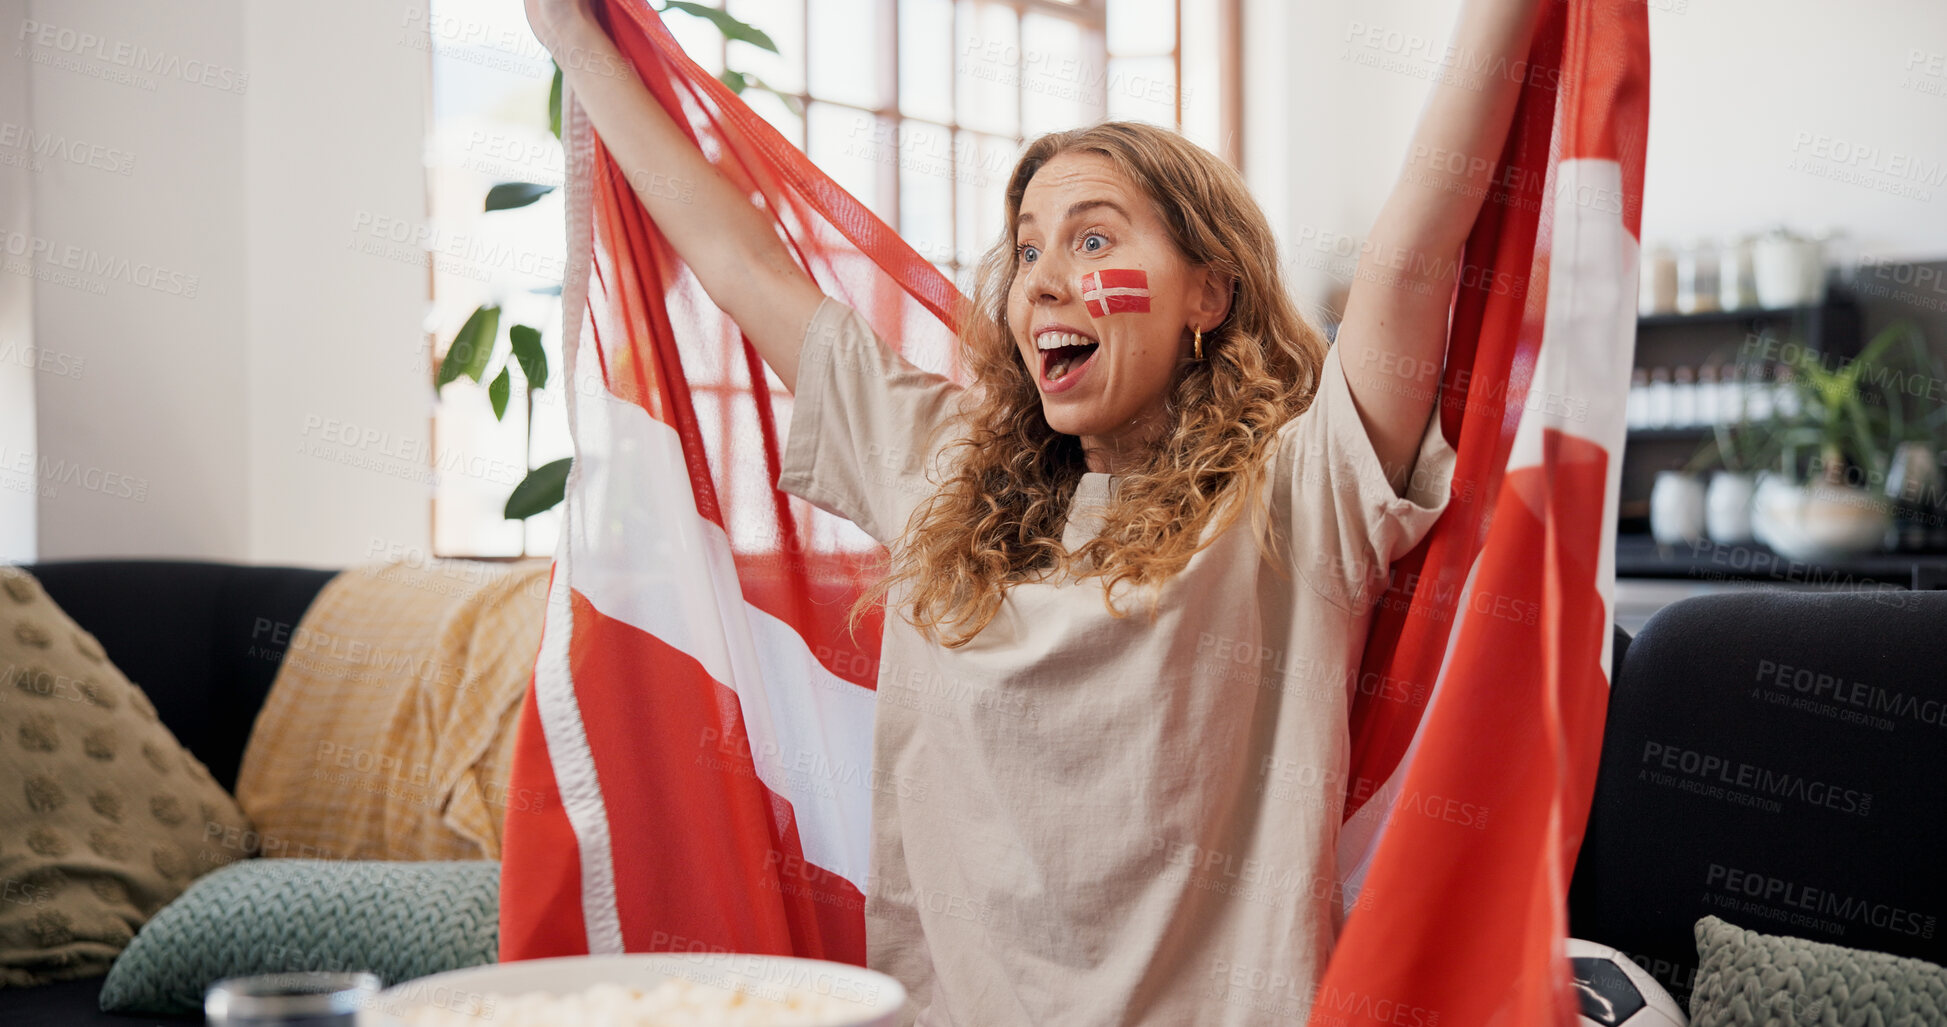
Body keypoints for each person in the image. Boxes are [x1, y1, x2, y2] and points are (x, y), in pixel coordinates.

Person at [526, 1, 1540, 1022]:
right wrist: (573, 38)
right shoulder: (940, 474)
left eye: (1093, 239)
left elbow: (1415, 249)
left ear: (1209, 295)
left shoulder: (1297, 498)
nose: (1044, 281)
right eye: (1026, 251)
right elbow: (742, 264)